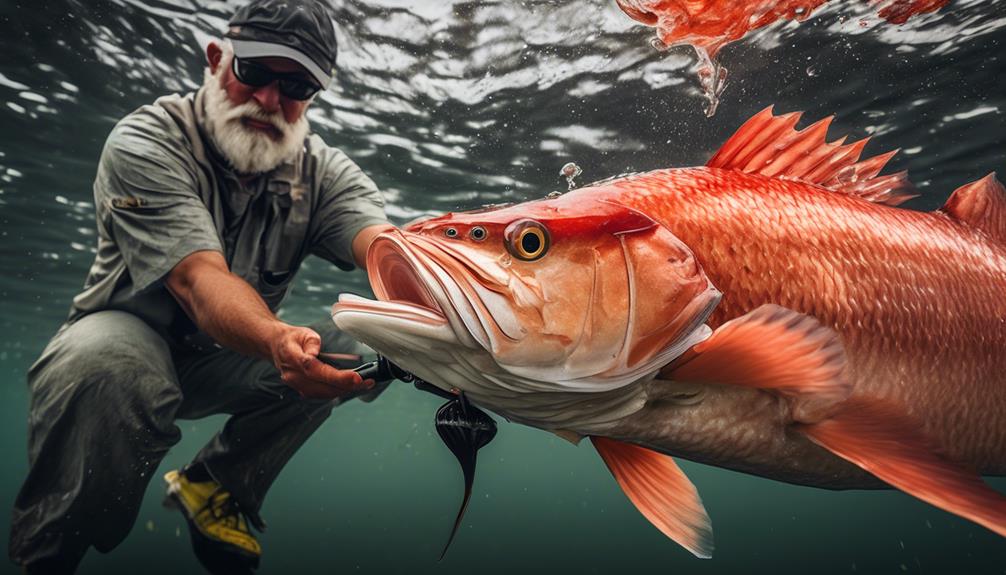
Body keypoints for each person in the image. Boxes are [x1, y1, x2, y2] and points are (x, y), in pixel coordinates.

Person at [8, 1, 395, 573]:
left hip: (230, 355)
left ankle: (217, 486)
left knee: (369, 346)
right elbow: (198, 279)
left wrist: (462, 326)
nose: (269, 100)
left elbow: (388, 249)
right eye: (256, 72)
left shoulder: (324, 172)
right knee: (107, 364)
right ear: (217, 60)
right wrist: (274, 339)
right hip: (123, 344)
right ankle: (48, 556)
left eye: (296, 85)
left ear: (314, 95)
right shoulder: (147, 140)